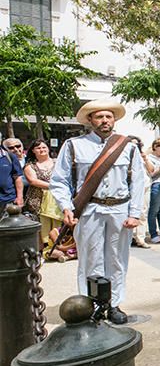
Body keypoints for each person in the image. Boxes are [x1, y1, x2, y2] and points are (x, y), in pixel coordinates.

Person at [49, 99, 145, 325]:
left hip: (120, 209)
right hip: (89, 208)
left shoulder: (128, 147)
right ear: (90, 120)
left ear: (114, 120)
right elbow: (59, 180)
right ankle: (89, 305)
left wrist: (134, 212)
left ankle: (113, 304)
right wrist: (66, 206)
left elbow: (139, 182)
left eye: (108, 116)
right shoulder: (74, 145)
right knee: (90, 260)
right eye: (99, 117)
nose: (105, 121)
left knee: (117, 259)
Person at [22, 139, 61, 246]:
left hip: (58, 198)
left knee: (58, 224)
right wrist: (54, 186)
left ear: (48, 149)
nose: (41, 150)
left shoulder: (58, 162)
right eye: (38, 148)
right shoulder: (30, 166)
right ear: (33, 151)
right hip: (37, 200)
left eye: (44, 147)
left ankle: (58, 247)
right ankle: (43, 249)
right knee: (41, 226)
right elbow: (33, 181)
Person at [143, 138, 160, 244]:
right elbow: (152, 173)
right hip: (157, 184)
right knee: (154, 210)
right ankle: (153, 233)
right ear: (155, 147)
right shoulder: (149, 157)